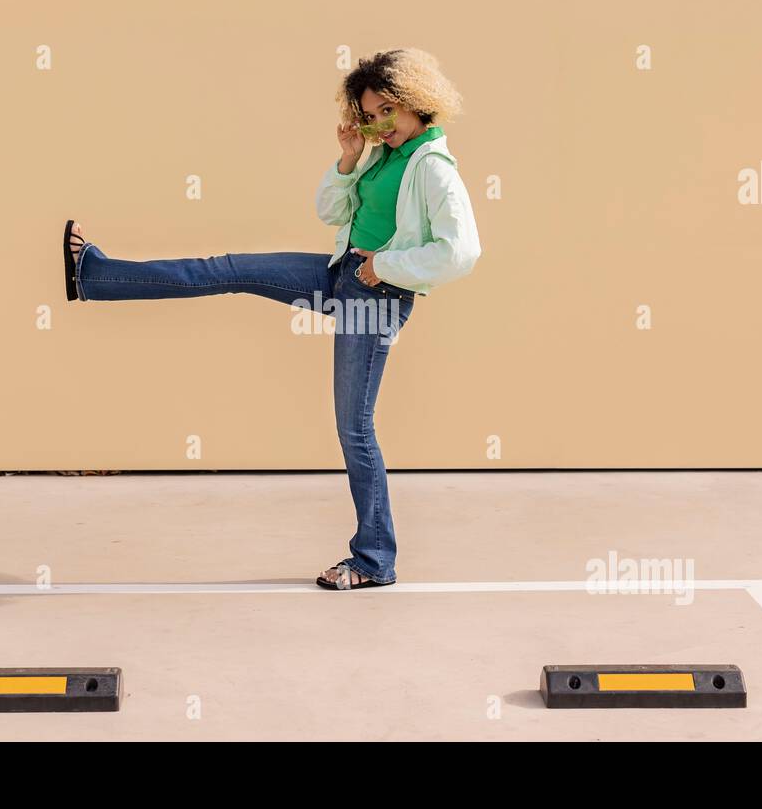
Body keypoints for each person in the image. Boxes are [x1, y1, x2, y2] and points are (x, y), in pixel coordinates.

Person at [61, 48, 481, 590]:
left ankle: (375, 560)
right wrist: (349, 161)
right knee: (227, 268)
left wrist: (388, 265)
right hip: (341, 274)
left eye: (385, 111)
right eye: (368, 113)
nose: (376, 123)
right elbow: (331, 213)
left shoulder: (434, 167)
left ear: (417, 103)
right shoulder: (381, 153)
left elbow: (461, 252)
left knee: (355, 430)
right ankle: (95, 275)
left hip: (376, 296)